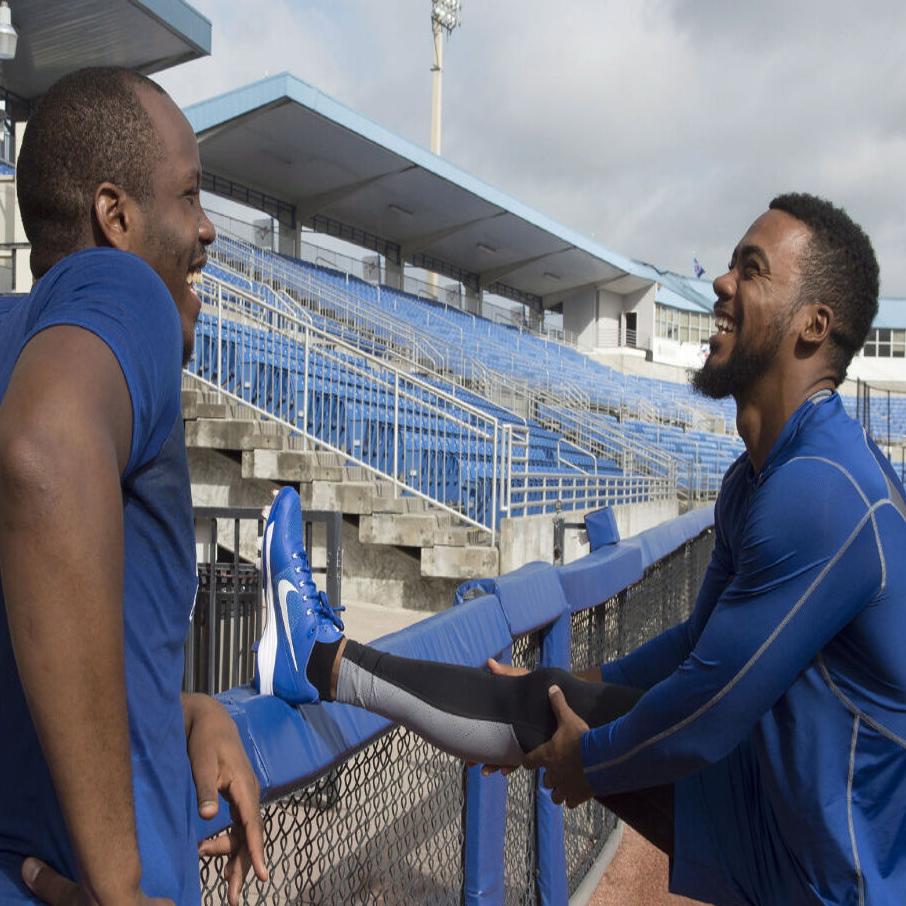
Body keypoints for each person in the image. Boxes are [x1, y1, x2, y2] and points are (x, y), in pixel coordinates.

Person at [253, 194, 906, 906]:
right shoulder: (757, 476)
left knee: (556, 715)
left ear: (814, 324)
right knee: (544, 701)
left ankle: (319, 656)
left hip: (843, 875)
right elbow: (698, 645)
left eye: (751, 270)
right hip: (784, 817)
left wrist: (586, 760)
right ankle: (316, 656)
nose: (722, 284)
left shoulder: (823, 489)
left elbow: (710, 706)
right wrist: (571, 686)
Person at [0, 68, 268, 905]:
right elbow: (45, 453)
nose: (206, 228)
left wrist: (179, 708)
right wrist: (117, 888)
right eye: (188, 195)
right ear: (117, 216)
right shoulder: (128, 288)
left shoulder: (14, 332)